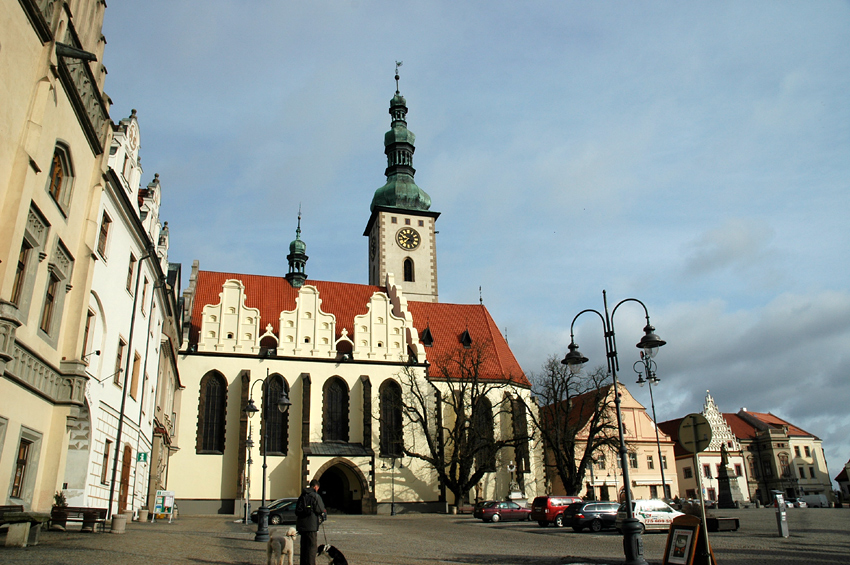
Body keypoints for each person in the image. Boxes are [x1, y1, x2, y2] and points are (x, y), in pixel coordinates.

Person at [296, 479, 326, 565]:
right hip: (311, 526)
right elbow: (320, 509)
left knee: (304, 548)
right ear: (316, 487)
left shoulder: (302, 495)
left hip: (302, 526)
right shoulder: (315, 496)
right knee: (311, 548)